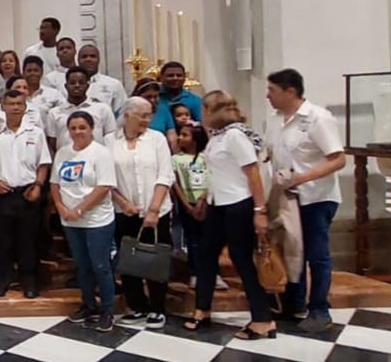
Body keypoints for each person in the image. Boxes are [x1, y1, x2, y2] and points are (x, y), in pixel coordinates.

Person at [185, 91, 276, 340]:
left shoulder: (235, 136)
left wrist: (260, 211)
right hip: (218, 203)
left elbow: (253, 174)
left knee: (241, 259)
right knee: (206, 255)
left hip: (239, 204)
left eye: (205, 109)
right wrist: (205, 196)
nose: (201, 114)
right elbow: (218, 172)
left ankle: (262, 319)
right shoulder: (217, 137)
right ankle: (202, 309)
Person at [265, 68, 345, 332]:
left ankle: (320, 309)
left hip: (315, 196)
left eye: (272, 90)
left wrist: (301, 178)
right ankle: (294, 301)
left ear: (290, 91)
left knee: (315, 253)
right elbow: (270, 153)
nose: (268, 96)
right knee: (290, 249)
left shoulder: (317, 118)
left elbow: (338, 159)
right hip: (286, 197)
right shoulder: (275, 120)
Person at [0, 90, 51, 298]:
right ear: (3, 106)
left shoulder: (35, 132)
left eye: (19, 103)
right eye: (11, 103)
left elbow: (43, 163)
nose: (15, 107)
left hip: (28, 192)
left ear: (25, 106)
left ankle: (29, 282)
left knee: (28, 241)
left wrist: (38, 185)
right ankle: (1, 281)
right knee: (2, 241)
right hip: (3, 193)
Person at [110, 97, 175, 330]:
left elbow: (165, 175)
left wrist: (154, 209)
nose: (148, 119)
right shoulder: (110, 140)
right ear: (127, 115)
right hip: (124, 210)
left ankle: (158, 307)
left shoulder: (156, 139)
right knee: (129, 260)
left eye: (149, 115)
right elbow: (107, 178)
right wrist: (123, 202)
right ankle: (137, 305)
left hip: (156, 210)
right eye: (142, 115)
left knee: (155, 259)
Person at [51, 111, 117, 332]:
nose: (77, 132)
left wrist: (79, 209)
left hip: (96, 219)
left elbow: (104, 186)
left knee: (100, 265)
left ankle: (107, 310)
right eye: (73, 128)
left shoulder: (101, 153)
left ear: (91, 129)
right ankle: (88, 304)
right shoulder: (63, 153)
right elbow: (55, 184)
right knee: (82, 265)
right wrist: (61, 208)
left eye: (82, 128)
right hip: (70, 219)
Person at [172, 121, 224, 292]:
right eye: (180, 134)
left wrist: (203, 199)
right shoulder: (176, 159)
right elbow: (176, 183)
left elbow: (214, 177)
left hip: (207, 202)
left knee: (210, 240)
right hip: (188, 204)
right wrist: (187, 205)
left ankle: (214, 273)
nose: (180, 138)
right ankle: (195, 273)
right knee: (193, 240)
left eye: (185, 135)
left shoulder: (206, 157)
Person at [44, 66, 116, 155]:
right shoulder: (54, 113)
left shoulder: (102, 109)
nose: (77, 85)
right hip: (66, 161)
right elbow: (51, 145)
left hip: (95, 160)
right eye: (72, 83)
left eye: (81, 82)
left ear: (88, 86)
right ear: (66, 86)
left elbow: (111, 140)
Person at [150, 62, 204, 147]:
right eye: (170, 75)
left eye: (179, 75)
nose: (175, 78)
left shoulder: (195, 100)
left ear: (184, 78)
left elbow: (202, 126)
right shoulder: (153, 97)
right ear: (161, 78)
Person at [78, 44, 127, 115]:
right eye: (84, 57)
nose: (88, 59)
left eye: (93, 56)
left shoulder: (114, 84)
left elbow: (122, 112)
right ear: (78, 60)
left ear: (99, 59)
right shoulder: (71, 85)